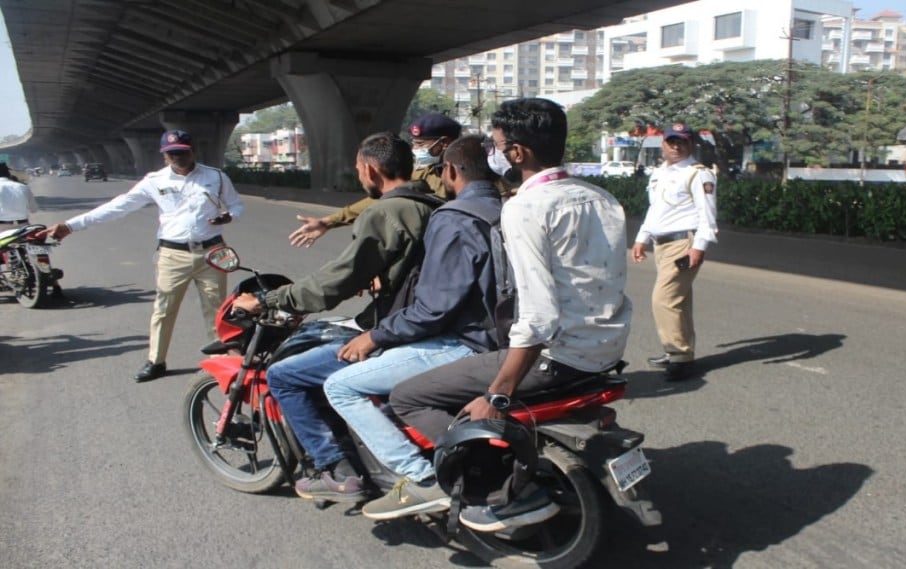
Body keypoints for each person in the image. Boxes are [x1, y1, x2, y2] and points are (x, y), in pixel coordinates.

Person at [362, 98, 632, 530]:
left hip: (554, 357)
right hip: (605, 350)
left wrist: (497, 395)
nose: (493, 153)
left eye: (498, 145)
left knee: (407, 397)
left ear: (518, 153)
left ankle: (486, 490)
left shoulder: (526, 207)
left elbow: (539, 316)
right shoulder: (599, 197)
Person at [230, 131, 444, 503]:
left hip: (399, 328)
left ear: (370, 169)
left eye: (360, 171)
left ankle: (335, 470)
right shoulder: (431, 202)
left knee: (283, 375)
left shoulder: (387, 211)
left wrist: (271, 299)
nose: (360, 177)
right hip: (429, 318)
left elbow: (337, 280)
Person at [319, 134, 504, 511]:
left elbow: (433, 309)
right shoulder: (509, 209)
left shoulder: (454, 218)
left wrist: (375, 336)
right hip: (509, 336)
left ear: (449, 170)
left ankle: (419, 477)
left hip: (465, 341)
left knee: (339, 386)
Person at [46, 130, 243, 382]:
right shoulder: (154, 181)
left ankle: (222, 362)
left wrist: (230, 215)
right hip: (173, 254)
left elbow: (236, 204)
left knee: (217, 309)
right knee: (164, 309)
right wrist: (72, 225)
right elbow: (119, 206)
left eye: (182, 152)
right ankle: (156, 361)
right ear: (164, 157)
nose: (178, 158)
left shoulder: (215, 177)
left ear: (193, 151)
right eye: (172, 154)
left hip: (213, 252)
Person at [287, 113, 461, 248]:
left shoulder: (468, 173)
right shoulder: (423, 172)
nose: (415, 150)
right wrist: (328, 221)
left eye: (421, 144)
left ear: (444, 143)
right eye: (414, 143)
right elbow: (386, 198)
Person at [631, 122, 718, 378]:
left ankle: (679, 356)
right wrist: (641, 238)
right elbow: (655, 209)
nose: (677, 146)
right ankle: (680, 354)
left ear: (691, 143)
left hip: (683, 243)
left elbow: (708, 216)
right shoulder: (659, 173)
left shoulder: (698, 174)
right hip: (662, 244)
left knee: (664, 299)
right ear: (663, 143)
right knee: (679, 301)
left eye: (682, 141)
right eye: (672, 141)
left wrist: (699, 247)